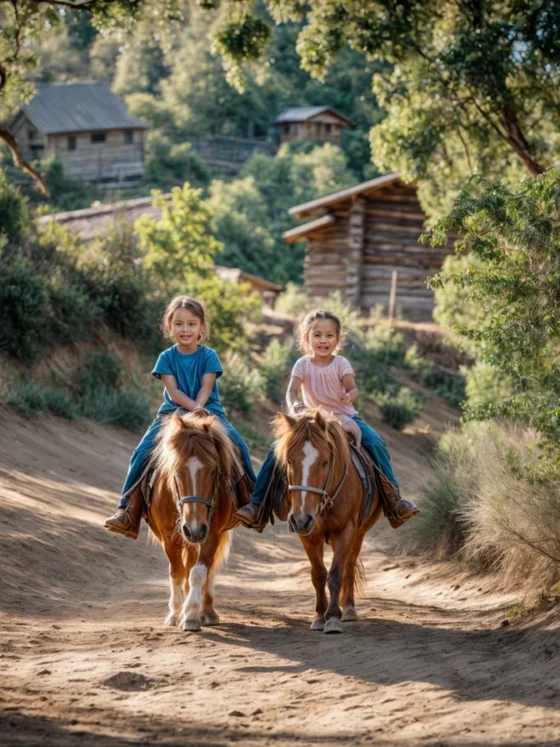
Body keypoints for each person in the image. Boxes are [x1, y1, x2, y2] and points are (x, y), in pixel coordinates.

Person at [235, 308, 419, 528]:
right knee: (276, 450)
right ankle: (258, 505)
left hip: (343, 416)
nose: (323, 340)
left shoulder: (341, 364)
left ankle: (394, 500)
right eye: (317, 335)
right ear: (306, 338)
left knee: (376, 443)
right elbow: (292, 391)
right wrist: (294, 405)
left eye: (329, 335)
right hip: (312, 421)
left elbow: (354, 390)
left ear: (338, 340)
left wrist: (348, 395)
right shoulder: (302, 364)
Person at [104, 295, 256, 538]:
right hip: (172, 415)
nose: (185, 329)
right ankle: (126, 509)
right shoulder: (166, 358)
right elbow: (173, 393)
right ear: (169, 327)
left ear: (202, 328)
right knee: (141, 452)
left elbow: (206, 387)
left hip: (210, 411)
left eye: (192, 324)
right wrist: (192, 407)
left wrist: (199, 407)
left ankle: (252, 501)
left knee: (239, 445)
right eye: (179, 324)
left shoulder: (209, 356)